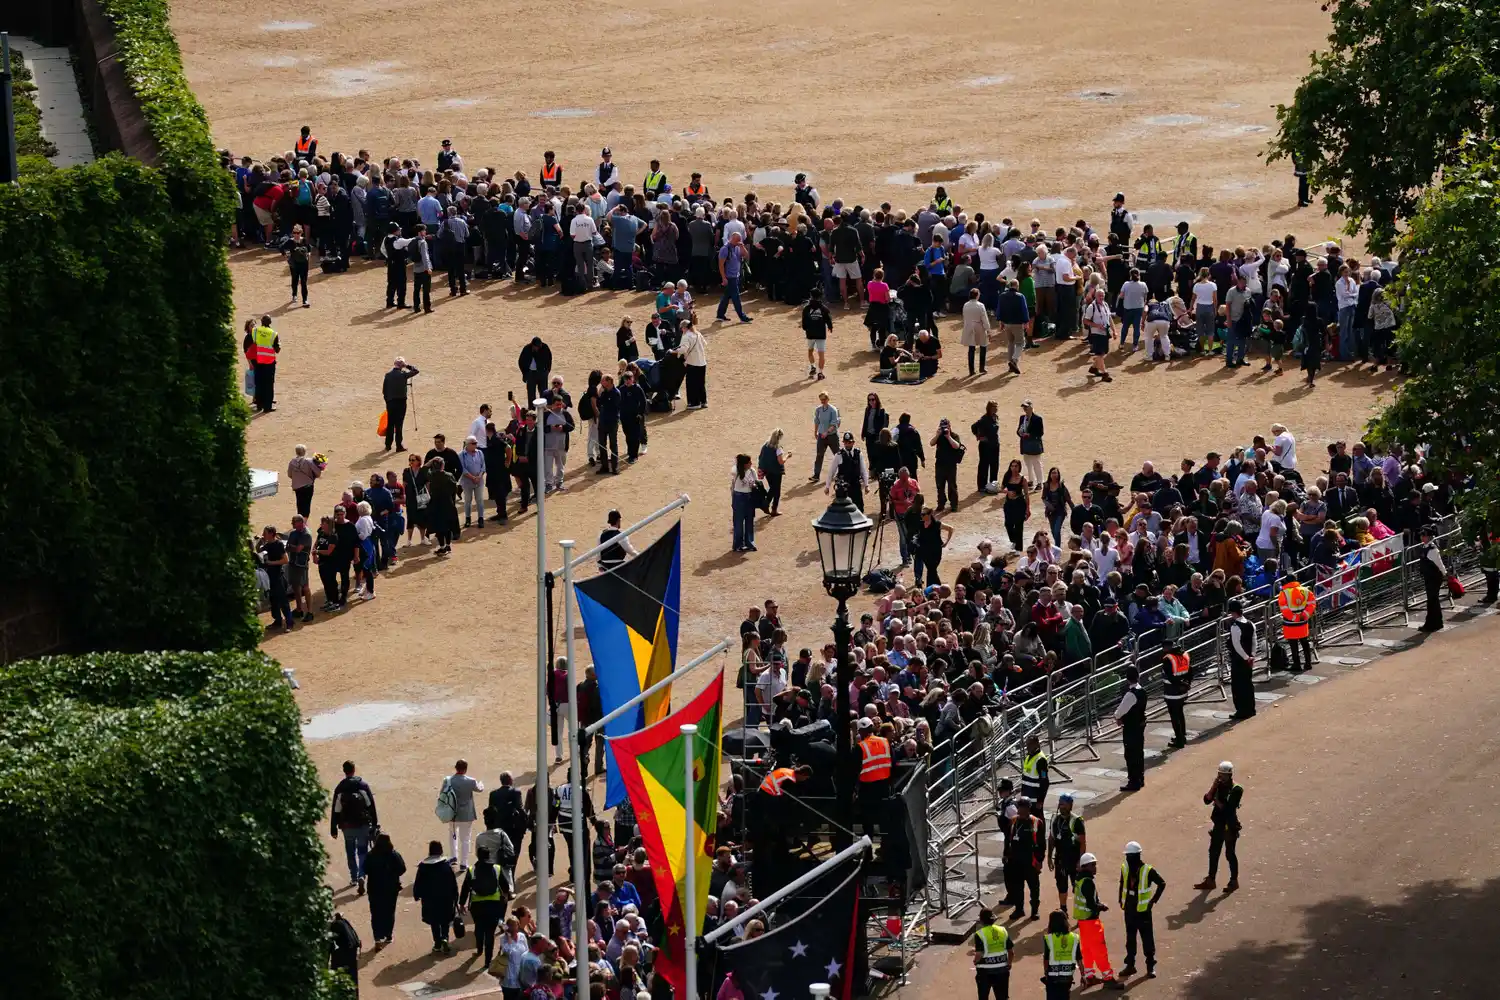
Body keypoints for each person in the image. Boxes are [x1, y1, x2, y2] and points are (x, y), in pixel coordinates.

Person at [1071, 854, 1120, 989]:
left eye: (1095, 864)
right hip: (1091, 922)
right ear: (1085, 867)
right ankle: (1108, 978)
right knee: (1099, 950)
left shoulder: (1080, 880)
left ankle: (1089, 976)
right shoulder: (1087, 882)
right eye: (1092, 865)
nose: (1095, 867)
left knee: (1087, 950)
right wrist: (1102, 907)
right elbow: (1091, 904)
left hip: (1083, 922)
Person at [1117, 841, 1165, 979]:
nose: (1127, 859)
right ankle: (1130, 965)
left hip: (1143, 911)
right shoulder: (1125, 868)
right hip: (1129, 909)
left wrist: (1153, 901)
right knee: (1130, 939)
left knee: (1147, 939)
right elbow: (1122, 883)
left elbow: (1162, 883)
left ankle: (1150, 967)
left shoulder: (1147, 870)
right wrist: (1120, 899)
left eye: (1129, 856)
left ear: (1137, 856)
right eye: (1127, 856)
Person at [1195, 761, 1243, 893]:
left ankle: (1234, 881)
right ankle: (1211, 880)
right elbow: (1206, 800)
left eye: (1223, 775)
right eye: (1219, 774)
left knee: (1230, 854)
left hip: (1229, 826)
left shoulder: (1237, 789)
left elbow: (1227, 809)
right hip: (1218, 825)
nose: (1220, 777)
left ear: (1230, 775)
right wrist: (1213, 787)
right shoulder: (1219, 785)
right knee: (1213, 852)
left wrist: (1216, 799)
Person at [331, 760, 378, 893]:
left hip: (347, 827)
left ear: (344, 771)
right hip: (362, 824)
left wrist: (333, 828)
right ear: (354, 769)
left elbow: (336, 809)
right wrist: (374, 823)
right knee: (362, 851)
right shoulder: (362, 785)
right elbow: (370, 805)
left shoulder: (340, 788)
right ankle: (362, 875)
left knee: (350, 851)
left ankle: (354, 877)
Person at [461, 846, 507, 967]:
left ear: (478, 855)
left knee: (479, 928)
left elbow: (465, 888)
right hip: (494, 905)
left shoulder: (472, 870)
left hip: (477, 906)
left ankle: (479, 949)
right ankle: (488, 961)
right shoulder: (497, 868)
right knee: (490, 933)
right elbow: (505, 885)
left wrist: (461, 903)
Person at [413, 839, 459, 953]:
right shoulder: (446, 866)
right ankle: (445, 938)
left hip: (430, 900)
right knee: (445, 920)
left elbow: (418, 883)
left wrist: (417, 895)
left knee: (434, 922)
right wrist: (455, 897)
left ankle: (437, 943)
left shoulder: (423, 867)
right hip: (445, 899)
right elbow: (453, 883)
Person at [363, 832, 406, 949]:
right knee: (389, 911)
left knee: (376, 913)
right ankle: (388, 935)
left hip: (374, 888)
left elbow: (365, 869)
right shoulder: (394, 855)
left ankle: (377, 937)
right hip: (391, 888)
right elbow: (402, 869)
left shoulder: (371, 855)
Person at [1005, 796, 1044, 920]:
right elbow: (1008, 839)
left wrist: (1039, 860)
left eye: (1021, 807)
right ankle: (1019, 909)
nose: (1019, 809)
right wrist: (1006, 855)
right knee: (1017, 887)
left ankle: (1035, 911)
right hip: (1016, 861)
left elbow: (1042, 844)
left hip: (1030, 861)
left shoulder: (1037, 822)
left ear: (1028, 808)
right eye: (1018, 806)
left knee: (1034, 887)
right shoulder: (1013, 821)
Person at [1047, 793, 1086, 913]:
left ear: (1070, 805)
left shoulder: (1076, 821)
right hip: (1060, 860)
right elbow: (1052, 838)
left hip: (1074, 861)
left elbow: (1083, 843)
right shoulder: (1055, 819)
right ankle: (1063, 909)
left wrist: (1080, 861)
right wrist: (1049, 857)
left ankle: (1080, 911)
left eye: (1064, 804)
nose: (1061, 806)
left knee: (1077, 887)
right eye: (1060, 803)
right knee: (1061, 886)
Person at [441, 759, 485, 867]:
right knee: (465, 839)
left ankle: (453, 857)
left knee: (452, 836)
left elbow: (442, 793)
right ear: (465, 769)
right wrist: (481, 784)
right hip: (467, 814)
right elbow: (479, 789)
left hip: (453, 814)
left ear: (456, 768)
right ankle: (464, 863)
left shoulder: (448, 780)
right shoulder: (471, 781)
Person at [1113, 665, 1146, 791]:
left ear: (1127, 679)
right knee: (1139, 753)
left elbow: (1119, 712)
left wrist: (1117, 717)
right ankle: (1140, 778)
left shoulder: (1130, 694)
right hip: (1139, 726)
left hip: (1131, 728)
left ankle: (1134, 781)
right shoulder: (1142, 691)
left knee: (1131, 754)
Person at [971, 906, 1014, 1000]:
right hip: (1002, 970)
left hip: (984, 972)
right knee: (1002, 997)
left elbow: (979, 954)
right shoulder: (1003, 931)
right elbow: (1011, 952)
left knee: (983, 996)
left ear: (981, 921)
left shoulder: (979, 934)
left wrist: (975, 961)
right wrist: (1009, 963)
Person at [256, 524, 292, 632]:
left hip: (278, 577)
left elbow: (286, 560)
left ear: (271, 534)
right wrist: (260, 542)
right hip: (269, 577)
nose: (263, 535)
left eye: (265, 533)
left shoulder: (279, 544)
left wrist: (271, 563)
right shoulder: (267, 545)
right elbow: (258, 551)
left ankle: (289, 623)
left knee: (283, 601)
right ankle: (278, 621)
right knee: (273, 601)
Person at [1225, 597, 1257, 718]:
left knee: (1238, 686)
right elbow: (1254, 640)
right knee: (1248, 684)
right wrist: (1252, 655)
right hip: (1249, 659)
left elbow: (1236, 645)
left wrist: (1246, 657)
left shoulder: (1235, 626)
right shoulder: (1250, 624)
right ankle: (1250, 709)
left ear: (1233, 612)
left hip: (1239, 660)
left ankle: (1241, 710)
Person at [1277, 575, 1315, 671]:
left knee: (1293, 645)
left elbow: (1284, 608)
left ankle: (1296, 664)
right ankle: (1308, 663)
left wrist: (1294, 618)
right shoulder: (1305, 590)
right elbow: (1312, 603)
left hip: (1290, 623)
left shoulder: (1283, 593)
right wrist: (1305, 614)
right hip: (1303, 621)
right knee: (1304, 643)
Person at [1041, 910, 1082, 1000]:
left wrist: (1046, 973)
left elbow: (1046, 959)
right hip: (1067, 977)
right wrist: (1083, 975)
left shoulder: (1049, 938)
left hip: (1052, 977)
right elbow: (1079, 958)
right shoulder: (1074, 937)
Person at [823, 431, 869, 510]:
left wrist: (866, 485)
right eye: (845, 442)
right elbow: (831, 471)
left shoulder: (858, 454)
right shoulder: (839, 455)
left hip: (856, 485)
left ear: (853, 442)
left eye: (849, 442)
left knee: (859, 507)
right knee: (844, 510)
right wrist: (827, 486)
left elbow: (863, 470)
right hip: (843, 487)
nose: (847, 444)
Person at [394, 225, 434, 313]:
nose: (425, 232)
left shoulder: (412, 241)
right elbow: (425, 256)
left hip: (416, 269)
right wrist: (428, 268)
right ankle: (427, 307)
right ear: (420, 232)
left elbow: (410, 253)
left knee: (416, 289)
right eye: (424, 231)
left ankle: (416, 307)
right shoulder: (422, 242)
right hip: (424, 269)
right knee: (426, 290)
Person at [382, 357, 419, 451]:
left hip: (390, 403)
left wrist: (387, 401)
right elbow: (416, 371)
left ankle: (388, 445)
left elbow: (384, 390)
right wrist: (407, 366)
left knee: (390, 424)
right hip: (401, 402)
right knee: (399, 424)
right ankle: (398, 445)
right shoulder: (403, 375)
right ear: (401, 366)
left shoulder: (388, 375)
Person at [1416, 523, 1447, 632]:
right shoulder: (1425, 547)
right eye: (1421, 535)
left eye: (1423, 535)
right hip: (1428, 577)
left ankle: (1432, 623)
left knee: (1432, 601)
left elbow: (1440, 564)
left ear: (1429, 536)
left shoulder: (1433, 549)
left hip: (1434, 578)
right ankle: (1436, 622)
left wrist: (1445, 574)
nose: (1422, 537)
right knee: (1432, 600)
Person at [716, 231, 753, 323]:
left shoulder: (737, 247)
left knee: (726, 296)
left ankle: (720, 315)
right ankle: (742, 317)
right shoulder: (725, 249)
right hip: (729, 277)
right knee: (736, 297)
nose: (739, 242)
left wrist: (742, 246)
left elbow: (746, 255)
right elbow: (720, 265)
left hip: (735, 276)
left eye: (739, 240)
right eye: (737, 240)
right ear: (732, 239)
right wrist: (724, 278)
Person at [1160, 639, 1191, 748]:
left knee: (1174, 716)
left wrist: (1180, 684)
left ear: (1165, 647)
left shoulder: (1168, 659)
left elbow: (1170, 677)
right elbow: (1190, 671)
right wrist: (1186, 684)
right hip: (1183, 691)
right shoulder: (1184, 654)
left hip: (1171, 692)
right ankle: (1182, 736)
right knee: (1180, 713)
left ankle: (1179, 740)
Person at [247, 314, 280, 412]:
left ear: (261, 322)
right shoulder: (273, 334)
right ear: (270, 323)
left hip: (258, 361)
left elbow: (254, 341)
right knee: (269, 384)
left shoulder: (255, 331)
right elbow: (277, 349)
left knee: (259, 383)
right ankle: (267, 407)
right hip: (269, 362)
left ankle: (259, 405)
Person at [677, 320, 709, 410]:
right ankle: (703, 401)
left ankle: (694, 403)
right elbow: (704, 344)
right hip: (702, 362)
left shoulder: (686, 336)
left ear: (684, 328)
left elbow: (683, 349)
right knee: (701, 383)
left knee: (691, 383)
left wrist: (675, 351)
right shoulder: (697, 334)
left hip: (692, 363)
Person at [803, 290, 834, 379]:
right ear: (820, 296)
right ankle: (820, 373)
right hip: (821, 334)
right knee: (821, 355)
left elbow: (804, 321)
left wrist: (805, 328)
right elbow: (828, 319)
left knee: (810, 351)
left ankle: (813, 366)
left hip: (810, 333)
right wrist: (830, 327)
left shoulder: (807, 308)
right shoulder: (823, 308)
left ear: (811, 296)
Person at [731, 454, 760, 553]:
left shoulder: (752, 471)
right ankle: (738, 545)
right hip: (738, 497)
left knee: (749, 521)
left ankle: (749, 543)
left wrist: (754, 485)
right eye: (749, 462)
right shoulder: (736, 470)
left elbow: (756, 482)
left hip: (749, 497)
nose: (751, 463)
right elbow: (735, 471)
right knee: (738, 523)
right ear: (744, 464)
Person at [758, 429, 789, 516]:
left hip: (767, 471)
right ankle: (771, 508)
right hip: (776, 472)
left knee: (772, 488)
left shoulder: (765, 445)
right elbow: (781, 461)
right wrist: (787, 456)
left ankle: (766, 505)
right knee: (776, 491)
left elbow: (760, 457)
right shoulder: (778, 448)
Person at [960, 288, 992, 375]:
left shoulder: (965, 305)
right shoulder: (980, 305)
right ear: (977, 295)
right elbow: (984, 319)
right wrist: (989, 331)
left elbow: (964, 317)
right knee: (983, 346)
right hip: (979, 326)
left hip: (968, 326)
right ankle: (982, 368)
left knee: (971, 348)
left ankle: (971, 370)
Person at [329, 910, 361, 996]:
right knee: (352, 978)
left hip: (343, 954)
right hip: (351, 951)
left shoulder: (335, 926)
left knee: (339, 979)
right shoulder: (344, 922)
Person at [1020, 733, 1049, 816]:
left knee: (1038, 820)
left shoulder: (1041, 760)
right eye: (1027, 744)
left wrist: (1040, 800)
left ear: (1037, 744)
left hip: (1035, 800)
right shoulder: (1029, 757)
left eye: (1030, 744)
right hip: (1027, 798)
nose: (1027, 747)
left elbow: (1045, 781)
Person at [1017, 400, 1045, 486]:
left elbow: (1040, 433)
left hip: (1034, 444)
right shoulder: (1022, 418)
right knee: (1028, 464)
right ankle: (1031, 480)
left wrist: (1029, 435)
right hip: (1025, 444)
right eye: (1024, 407)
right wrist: (1020, 433)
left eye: (1026, 407)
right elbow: (1018, 430)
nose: (1025, 409)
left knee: (1036, 464)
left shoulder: (1038, 419)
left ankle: (1040, 482)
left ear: (1031, 407)